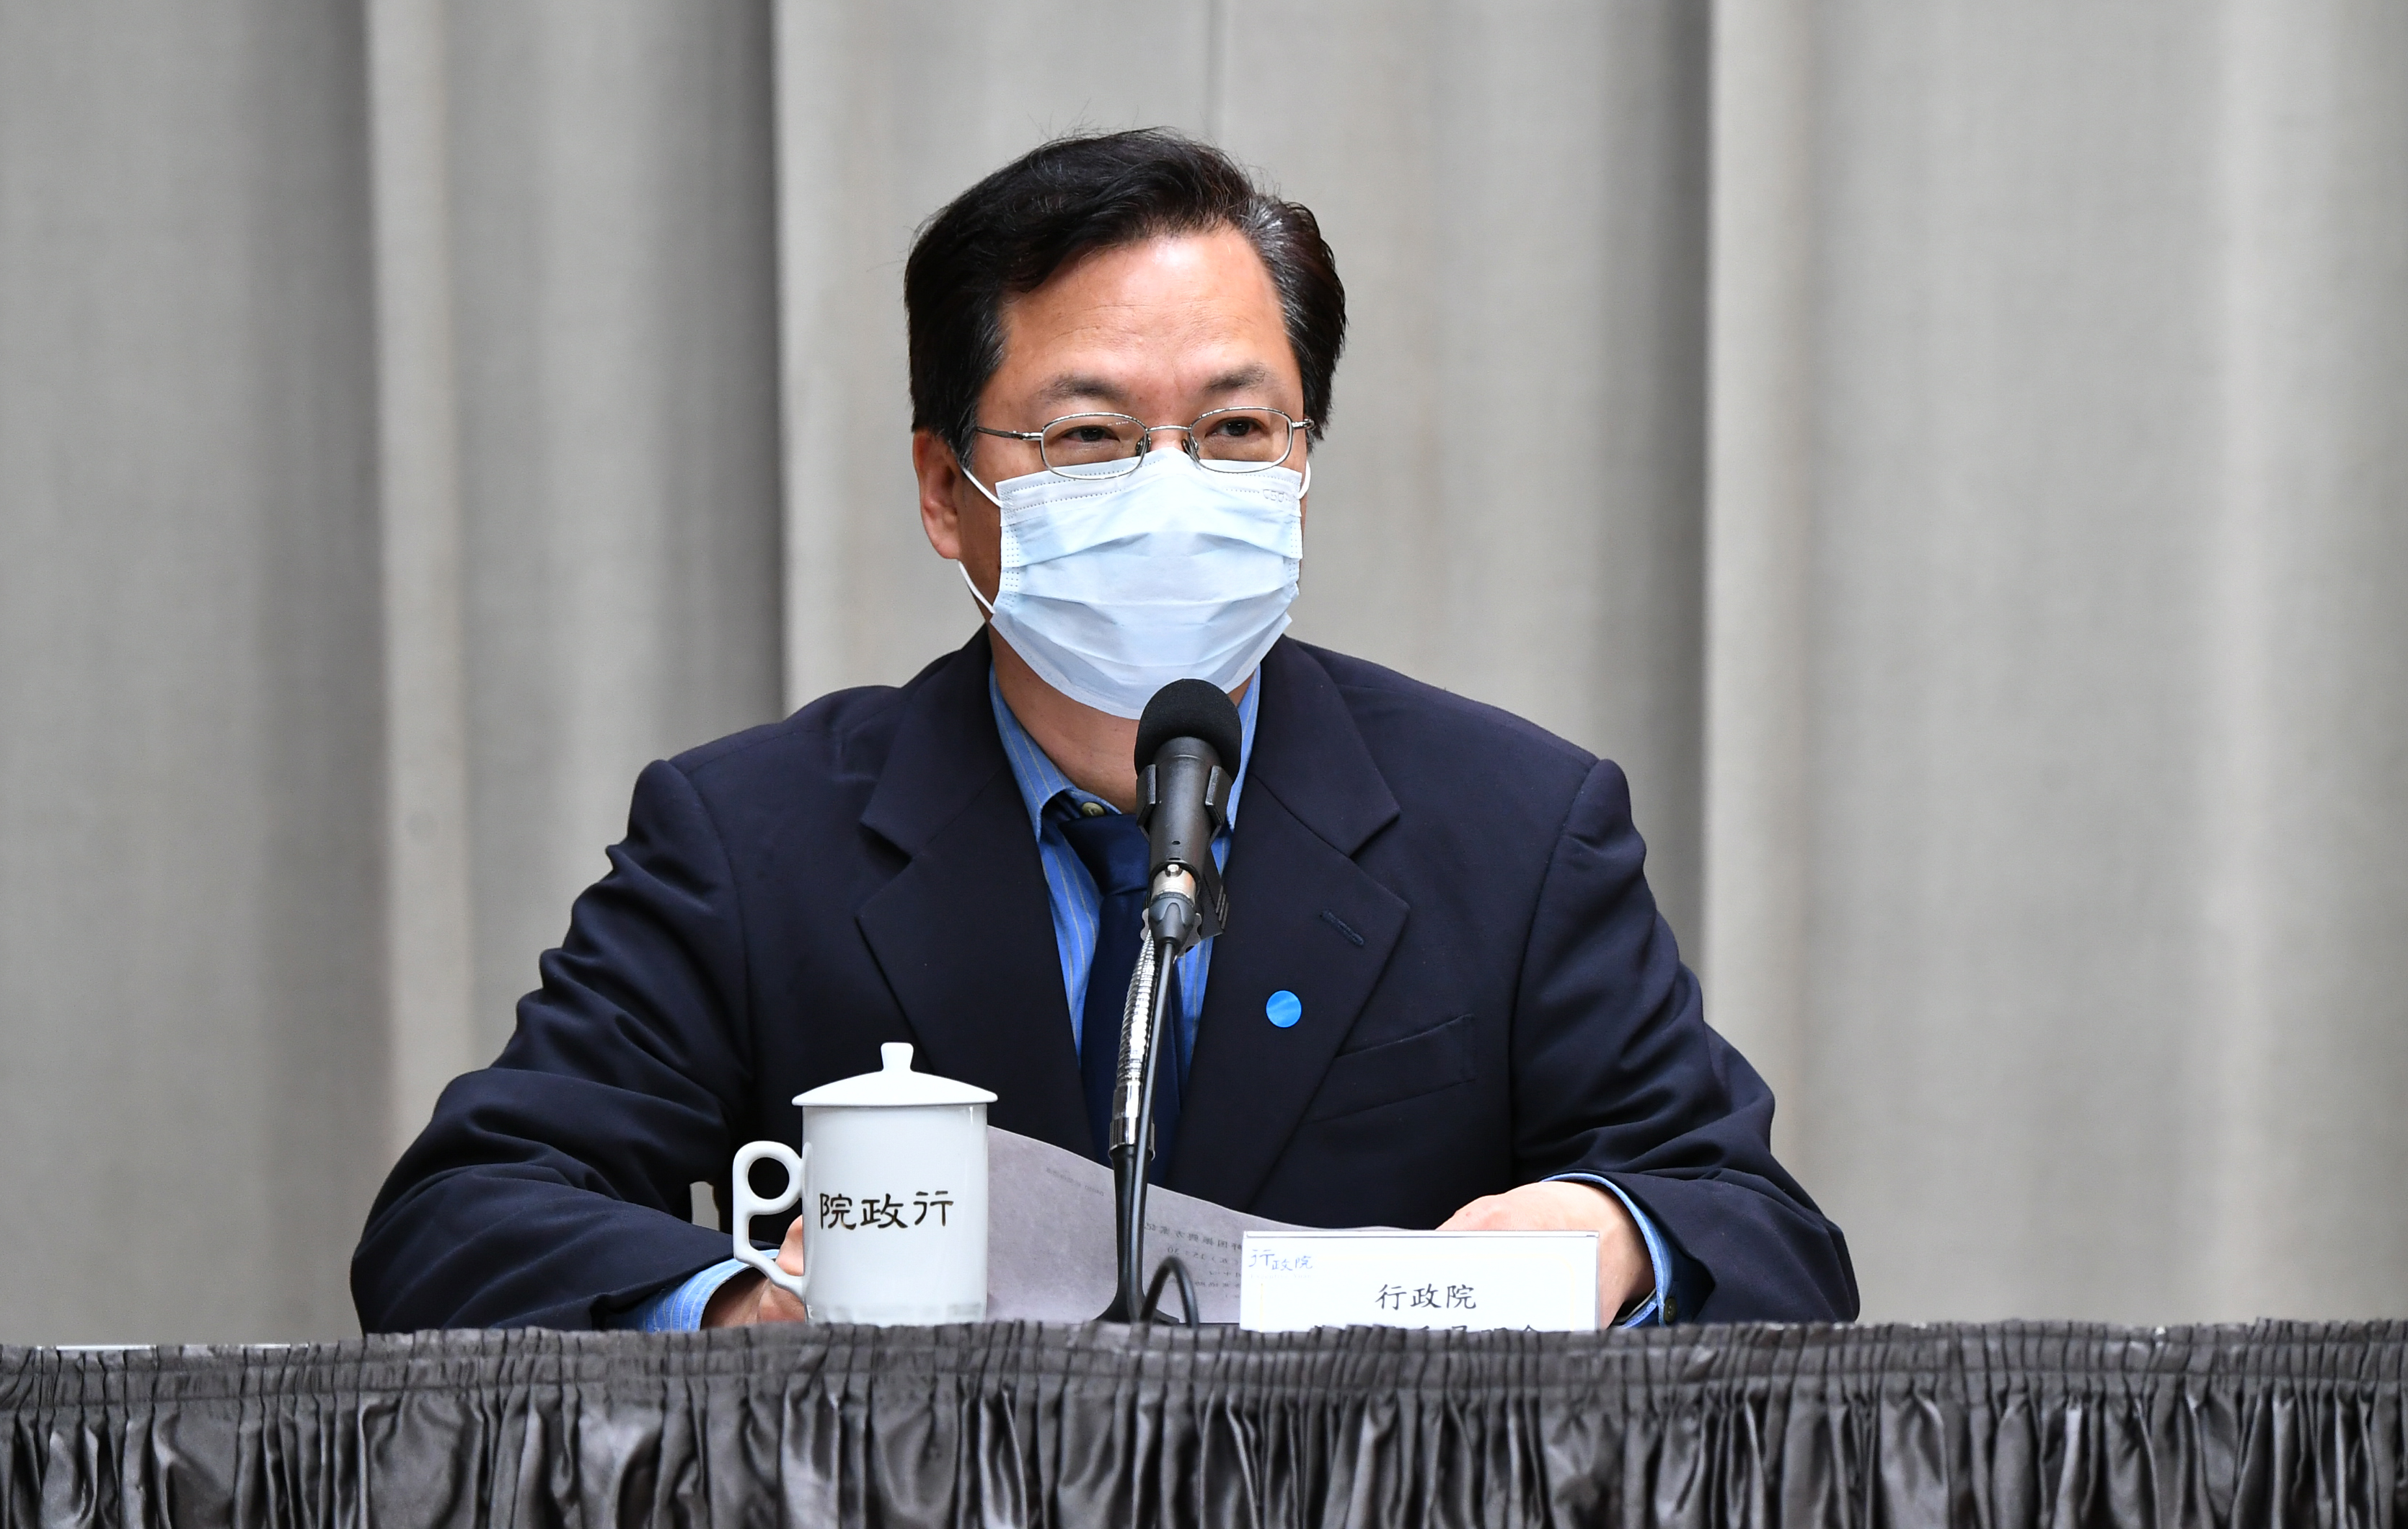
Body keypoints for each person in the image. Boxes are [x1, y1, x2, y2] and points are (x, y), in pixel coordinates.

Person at [351, 131, 1858, 1332]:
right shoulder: (751, 842)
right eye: (1089, 438)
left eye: (1235, 431)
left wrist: (1612, 1235)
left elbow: (1763, 1238)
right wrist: (749, 1312)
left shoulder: (1514, 826)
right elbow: (459, 1221)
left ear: (1302, 463)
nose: (1172, 491)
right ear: (944, 491)